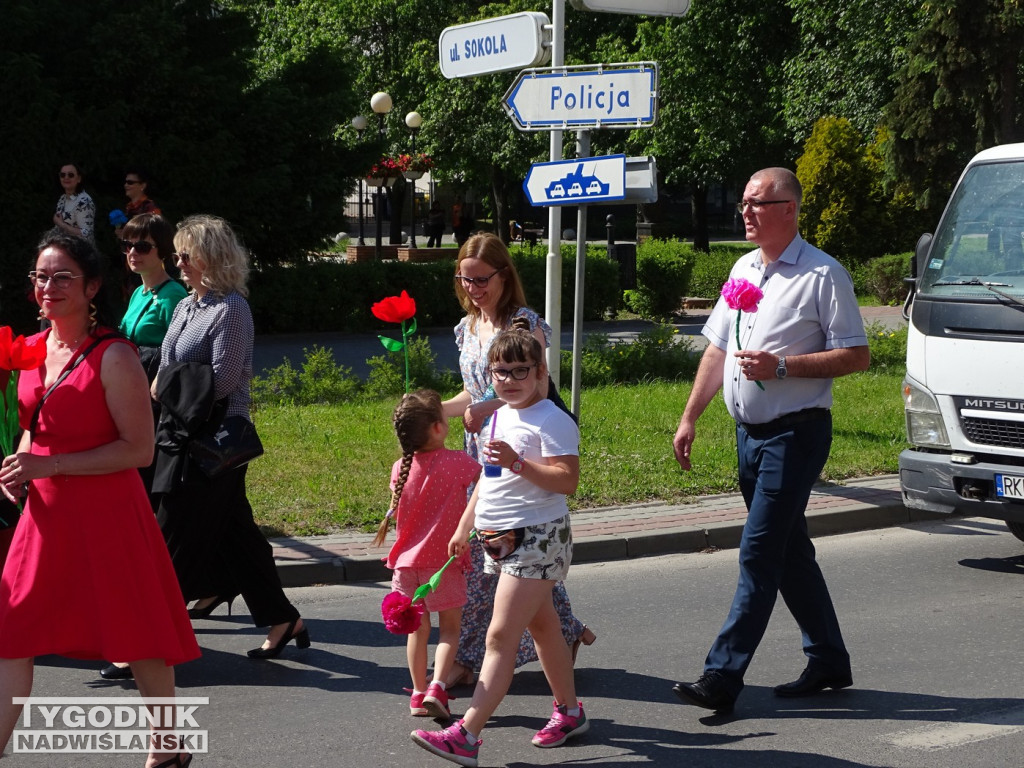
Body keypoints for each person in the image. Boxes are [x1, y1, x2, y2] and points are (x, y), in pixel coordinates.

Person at [670, 167, 870, 715]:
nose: (747, 212)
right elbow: (716, 350)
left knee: (759, 553)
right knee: (789, 550)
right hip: (748, 436)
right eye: (743, 202)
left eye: (759, 202)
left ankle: (722, 677)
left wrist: (781, 366)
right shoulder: (743, 267)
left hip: (796, 433)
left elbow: (856, 354)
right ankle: (829, 658)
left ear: (790, 208)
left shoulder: (823, 274)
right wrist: (690, 418)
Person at [0, 229, 199, 768]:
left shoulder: (114, 355)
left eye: (63, 277)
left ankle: (168, 742)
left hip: (106, 513)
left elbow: (137, 450)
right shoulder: (32, 349)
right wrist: (20, 464)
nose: (48, 286)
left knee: (135, 630)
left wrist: (49, 464)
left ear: (91, 287)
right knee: (12, 630)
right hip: (43, 515)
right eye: (40, 277)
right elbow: (35, 424)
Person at [412, 327, 588, 767]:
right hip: (499, 540)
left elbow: (567, 480)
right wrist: (464, 527)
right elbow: (489, 484)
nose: (509, 380)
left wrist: (517, 461)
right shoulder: (500, 414)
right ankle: (570, 712)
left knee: (499, 635)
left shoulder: (553, 419)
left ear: (541, 371)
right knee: (545, 630)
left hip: (539, 539)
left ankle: (466, 735)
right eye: (500, 371)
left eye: (520, 371)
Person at [440, 232, 594, 688]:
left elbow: (531, 388)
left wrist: (482, 411)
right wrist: (436, 409)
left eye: (481, 279)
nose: (473, 288)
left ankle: (469, 659)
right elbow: (474, 389)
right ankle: (564, 633)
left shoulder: (524, 324)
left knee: (513, 551)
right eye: (464, 280)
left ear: (504, 276)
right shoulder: (466, 328)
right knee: (515, 557)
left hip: (518, 449)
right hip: (484, 450)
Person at [153, 214, 308, 658]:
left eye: (185, 254)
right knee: (238, 537)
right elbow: (169, 364)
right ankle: (283, 617)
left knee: (173, 534)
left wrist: (165, 386)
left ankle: (151, 639)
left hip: (215, 440)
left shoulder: (231, 309)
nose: (177, 262)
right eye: (177, 254)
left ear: (209, 258)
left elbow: (221, 381)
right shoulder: (186, 305)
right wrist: (170, 383)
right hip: (181, 432)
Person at [98, 213, 188, 682]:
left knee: (146, 514)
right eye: (129, 246)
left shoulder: (173, 297)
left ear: (164, 251)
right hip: (127, 401)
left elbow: (174, 364)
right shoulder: (138, 293)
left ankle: (146, 632)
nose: (134, 255)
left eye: (144, 247)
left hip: (153, 412)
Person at [375, 390, 481, 719]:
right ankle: (438, 686)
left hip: (406, 566)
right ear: (437, 427)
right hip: (443, 563)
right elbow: (487, 482)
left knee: (417, 631)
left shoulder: (399, 468)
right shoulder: (458, 463)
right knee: (450, 629)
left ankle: (418, 695)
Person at [53, 162, 95, 241]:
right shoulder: (62, 198)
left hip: (80, 251)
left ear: (79, 178)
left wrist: (61, 224)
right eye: (62, 175)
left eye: (71, 175)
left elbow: (86, 235)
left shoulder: (85, 201)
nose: (66, 178)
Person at [115, 168, 161, 239]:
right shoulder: (127, 208)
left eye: (130, 182)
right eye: (125, 182)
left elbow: (156, 231)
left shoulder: (150, 207)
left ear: (142, 186)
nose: (125, 185)